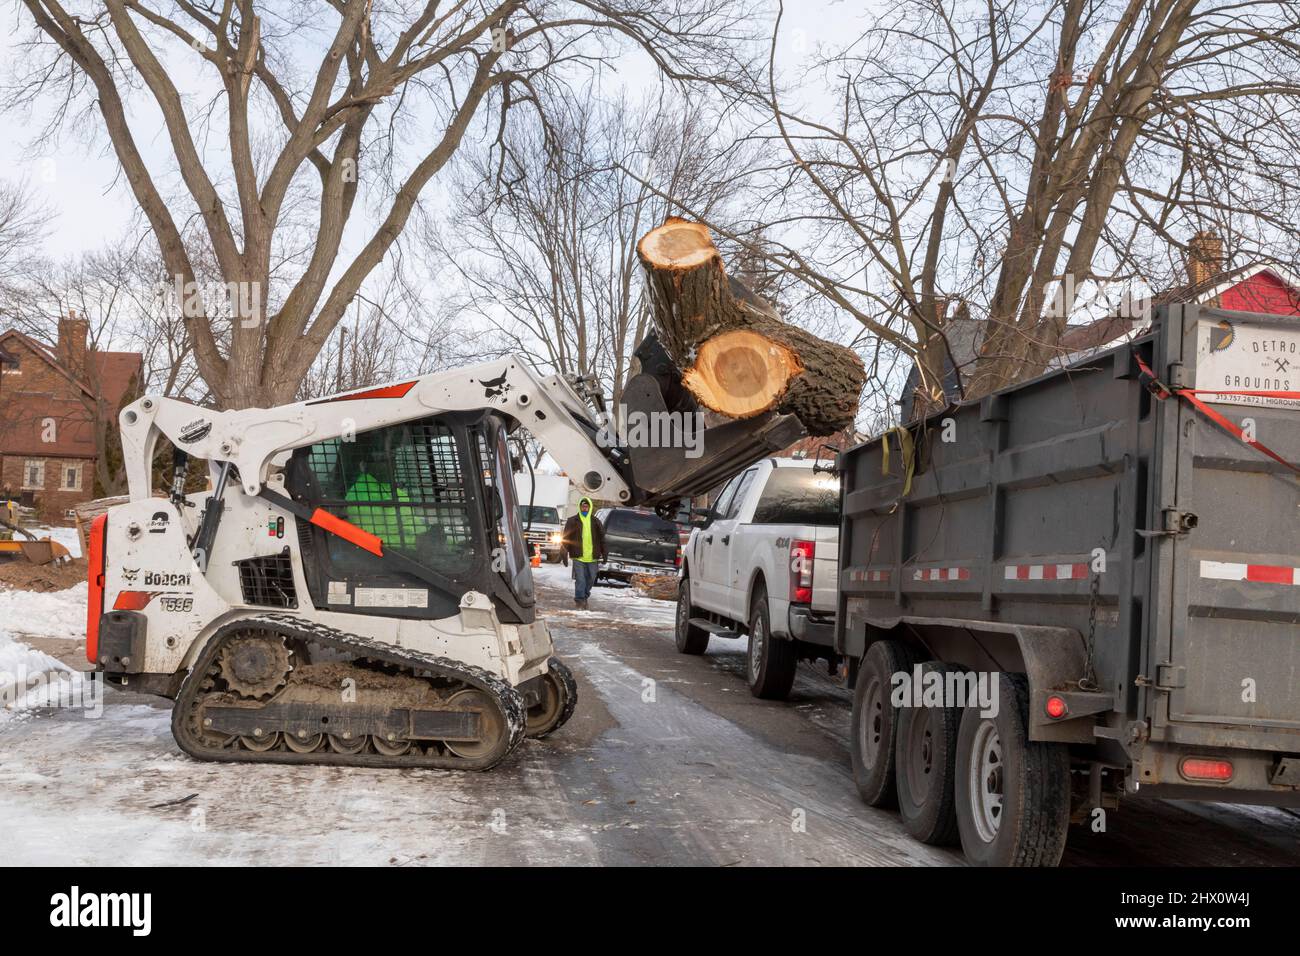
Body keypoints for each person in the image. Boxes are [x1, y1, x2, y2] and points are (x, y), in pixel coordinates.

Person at [560, 497, 607, 609]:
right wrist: (564, 554)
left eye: (586, 506)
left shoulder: (596, 521)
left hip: (592, 557)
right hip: (578, 556)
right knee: (580, 579)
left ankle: (585, 596)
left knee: (591, 579)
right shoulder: (572, 521)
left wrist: (605, 553)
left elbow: (602, 539)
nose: (584, 508)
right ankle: (580, 600)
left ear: (590, 507)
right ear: (579, 507)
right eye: (582, 506)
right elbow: (566, 538)